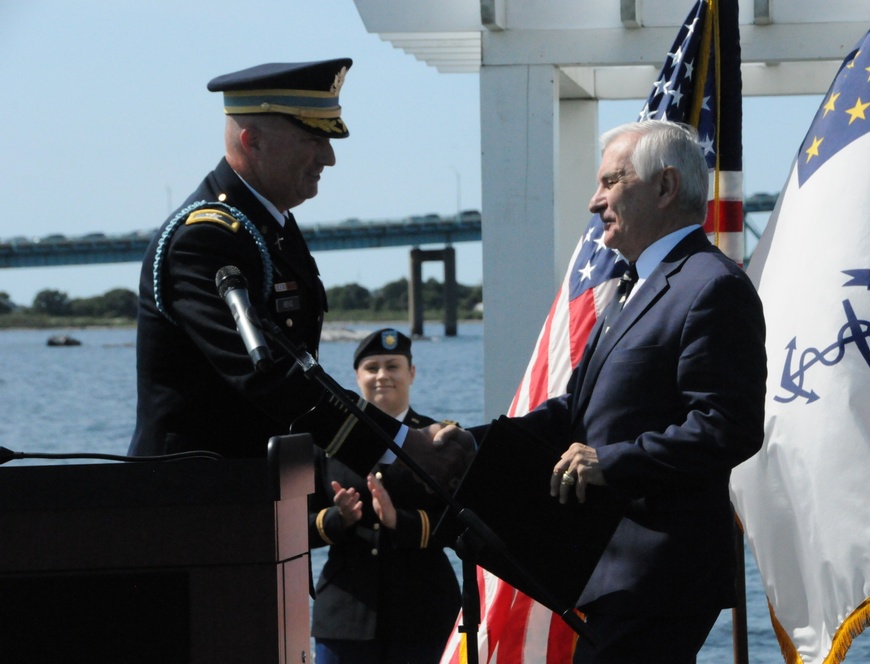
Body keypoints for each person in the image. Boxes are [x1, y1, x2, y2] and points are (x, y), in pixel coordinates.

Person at [440, 120, 767, 663]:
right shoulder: (633, 289)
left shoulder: (712, 286)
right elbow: (576, 411)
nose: (594, 202)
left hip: (659, 575)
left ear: (664, 188)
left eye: (611, 182)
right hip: (606, 572)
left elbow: (727, 426)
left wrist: (610, 464)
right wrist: (470, 444)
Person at [128, 59, 471, 484]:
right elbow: (270, 375)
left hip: (257, 489)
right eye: (312, 138)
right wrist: (397, 444)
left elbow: (303, 369)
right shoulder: (205, 240)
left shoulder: (272, 226)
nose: (328, 157)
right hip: (193, 498)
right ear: (253, 141)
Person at [308, 329, 461, 664]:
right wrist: (338, 519)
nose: (382, 376)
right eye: (372, 367)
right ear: (357, 377)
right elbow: (293, 527)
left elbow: (462, 525)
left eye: (392, 366)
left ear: (412, 373)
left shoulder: (440, 439)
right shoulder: (325, 442)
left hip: (423, 616)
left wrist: (399, 522)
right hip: (346, 617)